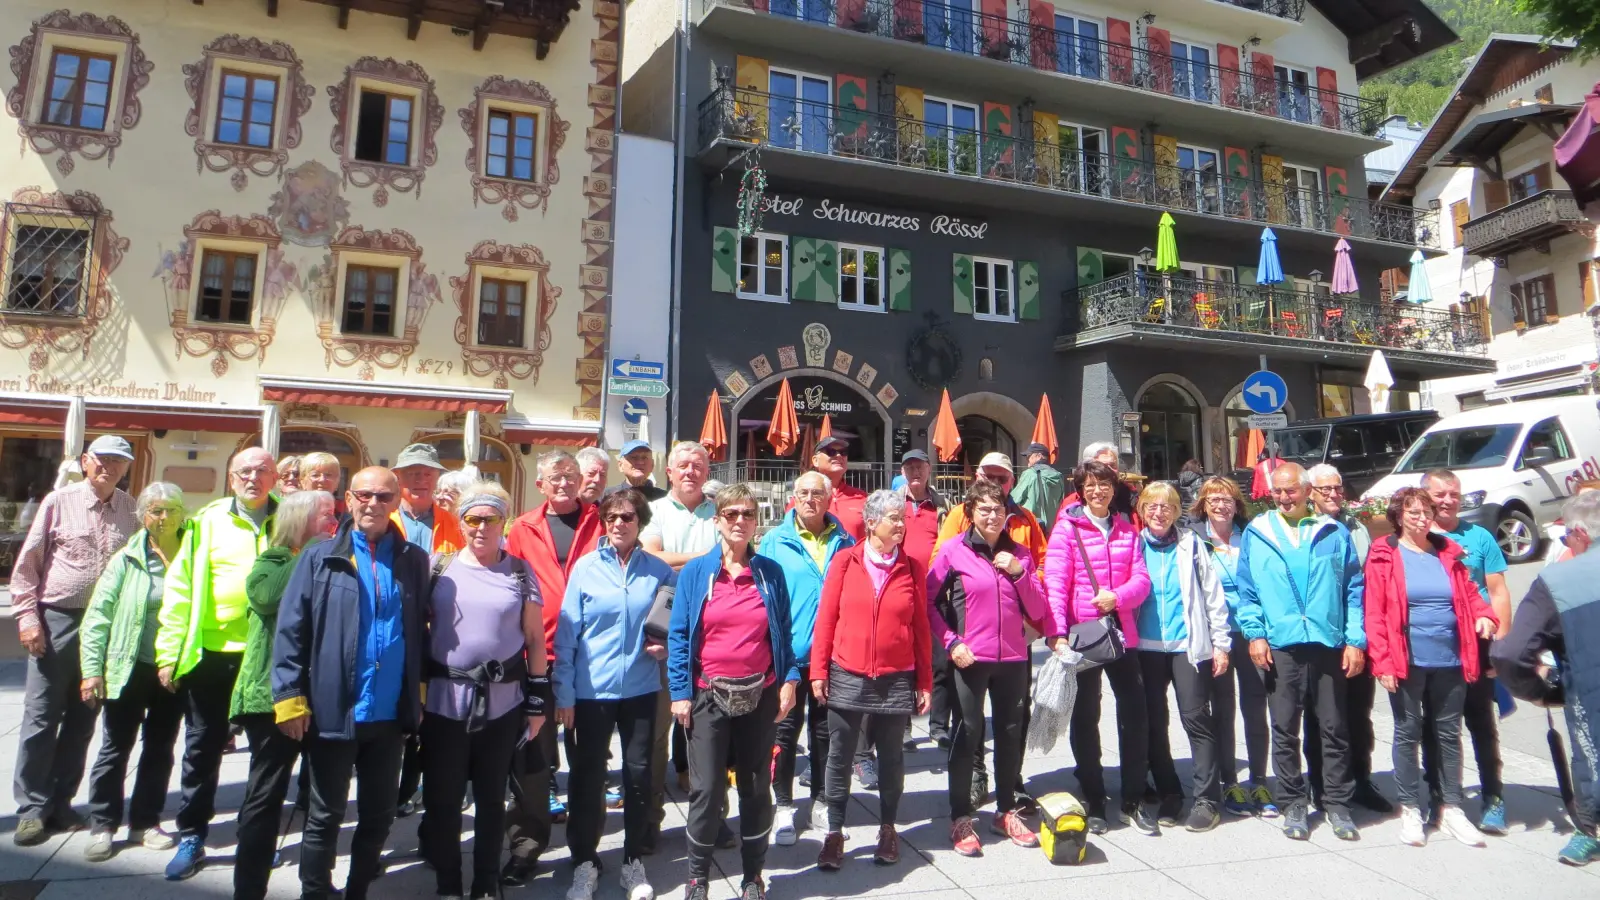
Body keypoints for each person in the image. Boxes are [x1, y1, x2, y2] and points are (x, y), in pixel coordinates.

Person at [272, 466, 431, 900]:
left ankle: (358, 889)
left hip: (389, 715)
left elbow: (419, 630)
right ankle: (316, 891)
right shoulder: (319, 555)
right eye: (364, 495)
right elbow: (291, 630)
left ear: (396, 502)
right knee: (324, 814)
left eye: (383, 497)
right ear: (349, 500)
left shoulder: (413, 560)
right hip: (334, 709)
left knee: (379, 815)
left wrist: (418, 694)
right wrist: (289, 697)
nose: (372, 504)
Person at [668, 484, 798, 900]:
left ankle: (752, 875)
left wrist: (789, 680)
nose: (739, 521)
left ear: (756, 521)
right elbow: (680, 636)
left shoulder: (769, 572)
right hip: (708, 695)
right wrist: (680, 692)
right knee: (706, 790)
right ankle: (697, 877)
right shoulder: (696, 573)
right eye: (731, 514)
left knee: (756, 787)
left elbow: (784, 634)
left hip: (759, 695)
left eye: (747, 513)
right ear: (717, 521)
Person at [154, 446, 278, 879]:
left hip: (266, 658)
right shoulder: (207, 521)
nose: (252, 478)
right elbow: (181, 587)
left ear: (275, 477)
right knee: (202, 748)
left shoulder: (289, 521)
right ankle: (192, 835)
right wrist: (169, 652)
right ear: (231, 479)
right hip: (210, 656)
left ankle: (255, 835)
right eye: (244, 471)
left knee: (267, 752)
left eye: (262, 470)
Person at [9, 434, 138, 847]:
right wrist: (28, 618)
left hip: (105, 628)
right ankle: (30, 810)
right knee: (41, 718)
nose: (110, 467)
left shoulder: (131, 510)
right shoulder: (58, 501)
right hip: (57, 620)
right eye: (102, 460)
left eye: (118, 461)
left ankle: (61, 803)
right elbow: (28, 564)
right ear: (86, 462)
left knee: (83, 720)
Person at [423, 483, 550, 900]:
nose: (480, 528)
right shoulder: (438, 569)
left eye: (489, 519)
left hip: (502, 706)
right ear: (460, 524)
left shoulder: (518, 571)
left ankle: (484, 883)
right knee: (443, 800)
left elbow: (534, 640)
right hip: (445, 704)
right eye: (472, 519)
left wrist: (536, 702)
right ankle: (447, 884)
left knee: (492, 800)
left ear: (503, 523)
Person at [1235, 462, 1366, 842]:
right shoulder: (1258, 533)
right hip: (1281, 643)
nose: (1283, 497)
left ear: (1308, 491)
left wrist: (1355, 638)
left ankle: (1337, 803)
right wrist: (1255, 634)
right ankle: (1293, 802)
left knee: (1333, 728)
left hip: (1327, 641)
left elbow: (1353, 590)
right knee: (1285, 727)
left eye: (1290, 490)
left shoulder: (1333, 531)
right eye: (1277, 491)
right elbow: (1247, 591)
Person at [556, 488, 674, 900]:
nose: (619, 524)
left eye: (626, 517)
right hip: (590, 692)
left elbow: (677, 625)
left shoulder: (659, 571)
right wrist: (564, 693)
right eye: (611, 518)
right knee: (587, 778)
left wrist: (668, 647)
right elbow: (568, 635)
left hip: (641, 688)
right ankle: (585, 861)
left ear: (640, 521)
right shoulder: (586, 569)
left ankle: (632, 859)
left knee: (640, 775)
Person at [1364, 488, 1497, 849]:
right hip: (1407, 660)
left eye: (1427, 512)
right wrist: (1383, 661)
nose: (1422, 519)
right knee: (1408, 734)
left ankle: (1451, 807)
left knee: (1448, 734)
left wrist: (1485, 615)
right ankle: (1410, 808)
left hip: (1451, 658)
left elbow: (1470, 594)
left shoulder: (1447, 552)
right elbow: (1374, 613)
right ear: (1398, 516)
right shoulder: (1384, 554)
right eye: (1414, 513)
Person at [810, 490, 931, 869]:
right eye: (894, 517)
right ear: (872, 522)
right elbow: (826, 619)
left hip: (896, 676)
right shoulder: (845, 562)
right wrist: (818, 671)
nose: (901, 524)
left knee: (892, 757)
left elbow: (921, 628)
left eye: (903, 518)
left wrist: (924, 681)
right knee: (840, 755)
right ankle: (834, 832)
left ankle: (888, 829)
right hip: (847, 671)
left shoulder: (912, 568)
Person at [929, 480, 1048, 855]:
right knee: (967, 733)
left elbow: (1039, 609)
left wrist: (1018, 572)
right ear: (971, 513)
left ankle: (1005, 810)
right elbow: (928, 604)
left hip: (1013, 658)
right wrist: (952, 643)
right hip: (971, 658)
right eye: (985, 509)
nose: (993, 516)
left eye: (998, 510)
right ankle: (961, 816)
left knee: (1012, 733)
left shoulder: (1021, 554)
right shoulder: (953, 551)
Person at [230, 490, 338, 900]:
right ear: (301, 522)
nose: (335, 522)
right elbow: (266, 597)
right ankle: (249, 888)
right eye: (326, 516)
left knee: (323, 799)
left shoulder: (332, 559)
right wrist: (310, 549)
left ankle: (317, 884)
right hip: (271, 698)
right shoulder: (273, 560)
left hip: (321, 696)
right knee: (264, 797)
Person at [502, 450, 603, 883]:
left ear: (581, 479)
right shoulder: (522, 529)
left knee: (590, 761)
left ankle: (585, 850)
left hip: (591, 660)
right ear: (539, 484)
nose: (562, 483)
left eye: (569, 475)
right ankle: (526, 847)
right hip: (536, 658)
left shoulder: (603, 521)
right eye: (553, 477)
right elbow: (508, 587)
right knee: (532, 762)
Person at [78, 482, 188, 861]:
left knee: (160, 748)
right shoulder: (127, 558)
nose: (163, 517)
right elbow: (98, 616)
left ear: (182, 513)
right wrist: (92, 670)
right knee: (115, 748)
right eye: (155, 510)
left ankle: (145, 822)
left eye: (170, 509)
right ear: (142, 516)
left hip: (173, 670)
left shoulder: (193, 553)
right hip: (128, 667)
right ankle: (103, 826)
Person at [1044, 459, 1154, 835]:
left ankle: (1133, 797)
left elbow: (1142, 580)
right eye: (1090, 485)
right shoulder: (1066, 530)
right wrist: (1057, 633)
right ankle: (1093, 796)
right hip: (1083, 634)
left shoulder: (1127, 530)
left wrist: (1117, 597)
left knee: (1135, 713)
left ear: (1114, 489)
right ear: (1080, 490)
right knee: (1085, 714)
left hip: (1122, 633)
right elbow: (1056, 585)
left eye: (1104, 484)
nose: (1097, 491)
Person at [1492, 491, 1600, 867]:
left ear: (1579, 533)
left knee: (1590, 755)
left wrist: (1541, 693)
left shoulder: (1558, 581)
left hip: (1589, 695)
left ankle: (1589, 833)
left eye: (1566, 536)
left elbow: (1508, 654)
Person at [757, 472, 854, 846]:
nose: (810, 499)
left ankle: (821, 801)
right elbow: (761, 597)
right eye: (803, 492)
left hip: (830, 656)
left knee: (825, 733)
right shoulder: (774, 541)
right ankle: (782, 806)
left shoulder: (845, 541)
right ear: (793, 497)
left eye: (817, 493)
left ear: (830, 499)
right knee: (783, 732)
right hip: (788, 655)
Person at [1135, 482, 1234, 832]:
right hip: (1145, 648)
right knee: (1153, 723)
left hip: (1186, 647)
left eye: (1166, 507)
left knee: (1196, 719)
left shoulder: (1191, 545)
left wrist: (1221, 644)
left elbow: (1212, 595)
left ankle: (1207, 799)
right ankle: (1170, 792)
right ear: (1142, 510)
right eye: (1151, 506)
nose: (1158, 513)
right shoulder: (1133, 545)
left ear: (1177, 512)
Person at [1422, 468, 1513, 834]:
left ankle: (1493, 796)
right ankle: (1441, 797)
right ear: (1425, 496)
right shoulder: (1418, 539)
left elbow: (1499, 590)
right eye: (1440, 494)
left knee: (1481, 723)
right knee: (1435, 726)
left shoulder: (1479, 537)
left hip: (1478, 644)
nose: (1447, 501)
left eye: (1453, 495)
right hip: (1435, 646)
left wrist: (1501, 645)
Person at [641, 441, 722, 847]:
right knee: (659, 731)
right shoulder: (654, 512)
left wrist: (680, 558)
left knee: (708, 733)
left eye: (698, 465)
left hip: (712, 636)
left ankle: (711, 820)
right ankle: (651, 820)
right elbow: (652, 557)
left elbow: (731, 555)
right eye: (683, 466)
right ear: (669, 471)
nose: (690, 471)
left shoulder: (717, 511)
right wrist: (705, 556)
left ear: (707, 471)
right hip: (665, 633)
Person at [1302, 463, 1389, 814]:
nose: (1334, 495)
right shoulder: (1305, 529)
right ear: (1311, 493)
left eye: (1337, 488)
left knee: (1358, 711)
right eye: (1325, 490)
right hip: (1321, 637)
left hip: (1357, 632)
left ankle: (1360, 780)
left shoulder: (1356, 526)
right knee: (1321, 714)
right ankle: (1321, 784)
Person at [1188, 477, 1277, 818]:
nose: (1220, 505)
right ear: (1203, 504)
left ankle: (1258, 780)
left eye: (1226, 499)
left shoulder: (1251, 536)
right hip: (1217, 636)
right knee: (1222, 708)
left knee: (1256, 707)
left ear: (1237, 504)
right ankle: (1230, 782)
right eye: (1213, 500)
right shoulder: (1195, 539)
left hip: (1253, 632)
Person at [393, 442, 465, 555]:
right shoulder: (384, 520)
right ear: (398, 476)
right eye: (413, 474)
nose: (421, 480)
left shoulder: (455, 525)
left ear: (437, 477)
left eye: (428, 474)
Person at [807, 435, 868, 540]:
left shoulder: (862, 497)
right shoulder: (804, 496)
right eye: (831, 452)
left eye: (843, 452)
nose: (839, 456)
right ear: (815, 460)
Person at [1011, 442, 1065, 534]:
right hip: (1052, 530)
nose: (1028, 462)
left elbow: (1014, 500)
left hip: (1033, 527)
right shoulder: (1059, 476)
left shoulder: (1030, 474)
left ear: (1039, 456)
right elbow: (1061, 501)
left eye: (1029, 457)